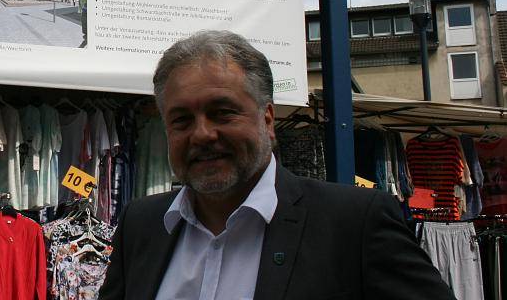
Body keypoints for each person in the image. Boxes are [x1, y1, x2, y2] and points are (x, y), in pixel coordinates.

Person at [98, 30, 455, 300]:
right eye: (181, 120)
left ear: (267, 120)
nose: (202, 134)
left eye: (222, 112)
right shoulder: (141, 225)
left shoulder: (354, 223)